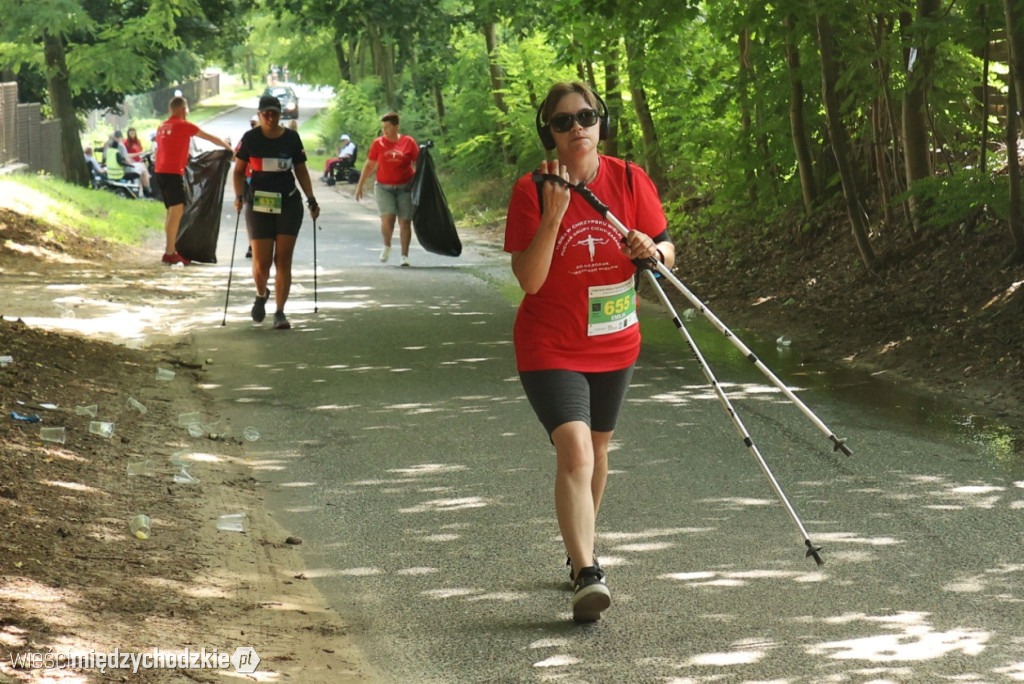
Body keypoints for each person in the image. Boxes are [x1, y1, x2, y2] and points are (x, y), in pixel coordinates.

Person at [503, 82, 676, 623]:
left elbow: (668, 249)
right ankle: (586, 572)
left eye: (585, 116)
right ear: (549, 132)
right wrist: (554, 214)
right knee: (575, 450)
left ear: (600, 122)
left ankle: (580, 547)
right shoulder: (531, 190)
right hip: (550, 343)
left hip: (615, 339)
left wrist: (653, 250)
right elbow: (530, 281)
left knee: (598, 451)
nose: (576, 127)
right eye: (562, 121)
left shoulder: (628, 178)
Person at [232, 94, 320, 330]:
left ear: (281, 115)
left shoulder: (291, 138)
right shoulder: (250, 139)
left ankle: (280, 312)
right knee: (262, 264)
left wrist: (311, 199)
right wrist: (239, 196)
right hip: (259, 204)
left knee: (283, 260)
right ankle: (262, 294)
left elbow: (301, 170)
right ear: (259, 115)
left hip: (289, 203)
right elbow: (238, 171)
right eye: (265, 114)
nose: (270, 118)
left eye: (274, 113)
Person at [152, 96, 234, 266]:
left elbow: (170, 147)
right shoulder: (184, 125)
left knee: (171, 212)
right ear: (183, 110)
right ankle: (170, 252)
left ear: (170, 110)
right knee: (177, 212)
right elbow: (210, 138)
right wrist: (229, 150)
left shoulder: (162, 126)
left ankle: (170, 249)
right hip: (172, 173)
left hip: (160, 172)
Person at [355, 112, 418, 267]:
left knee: (405, 221)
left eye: (387, 127)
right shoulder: (378, 143)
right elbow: (369, 165)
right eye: (383, 127)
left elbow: (419, 164)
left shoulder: (408, 142)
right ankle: (387, 245)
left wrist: (421, 184)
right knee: (388, 218)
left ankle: (404, 256)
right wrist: (360, 185)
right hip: (384, 187)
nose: (384, 130)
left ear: (396, 127)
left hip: (405, 187)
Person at [123, 128, 153, 197]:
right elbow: (126, 155)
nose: (132, 135)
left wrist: (142, 154)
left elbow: (141, 151)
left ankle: (146, 188)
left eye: (133, 133)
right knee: (144, 171)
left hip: (139, 161)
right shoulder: (126, 143)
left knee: (145, 170)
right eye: (131, 133)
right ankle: (147, 189)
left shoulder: (138, 141)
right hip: (131, 162)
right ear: (128, 134)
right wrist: (138, 154)